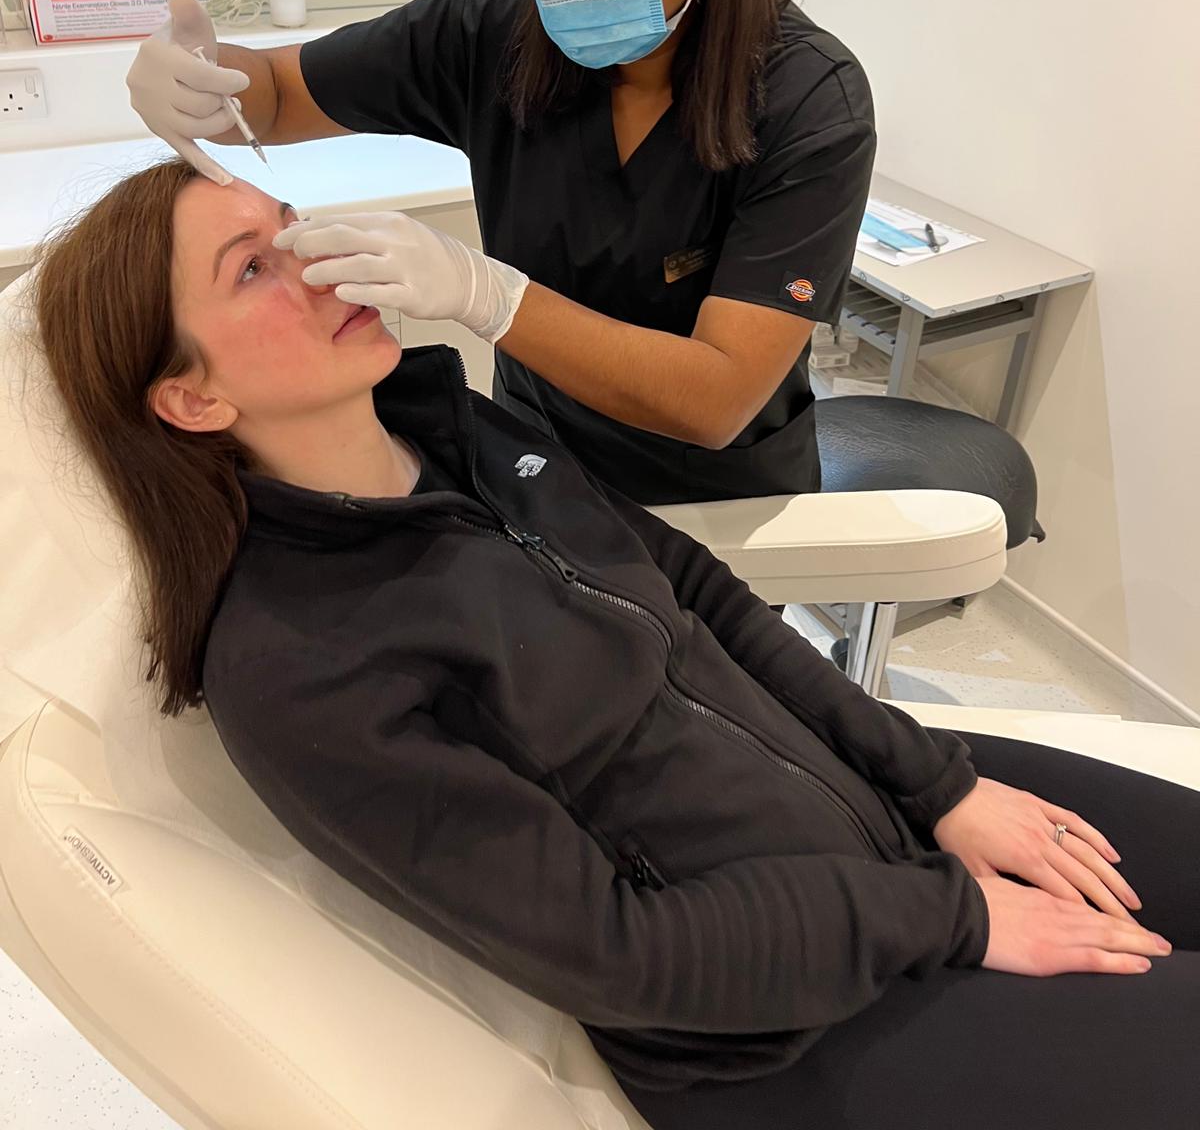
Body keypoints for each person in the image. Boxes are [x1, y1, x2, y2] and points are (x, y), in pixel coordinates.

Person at [31, 159, 1200, 1130]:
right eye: (253, 268)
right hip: (783, 1022)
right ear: (191, 400)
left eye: (291, 227)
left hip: (877, 816)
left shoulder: (459, 429)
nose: (319, 261)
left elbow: (702, 598)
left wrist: (937, 786)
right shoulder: (300, 665)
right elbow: (621, 954)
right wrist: (954, 915)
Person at [126, 0, 875, 507]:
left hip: (716, 503)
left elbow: (714, 398)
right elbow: (279, 95)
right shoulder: (488, 34)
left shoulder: (809, 104)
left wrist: (488, 296)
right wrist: (209, 77)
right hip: (534, 469)